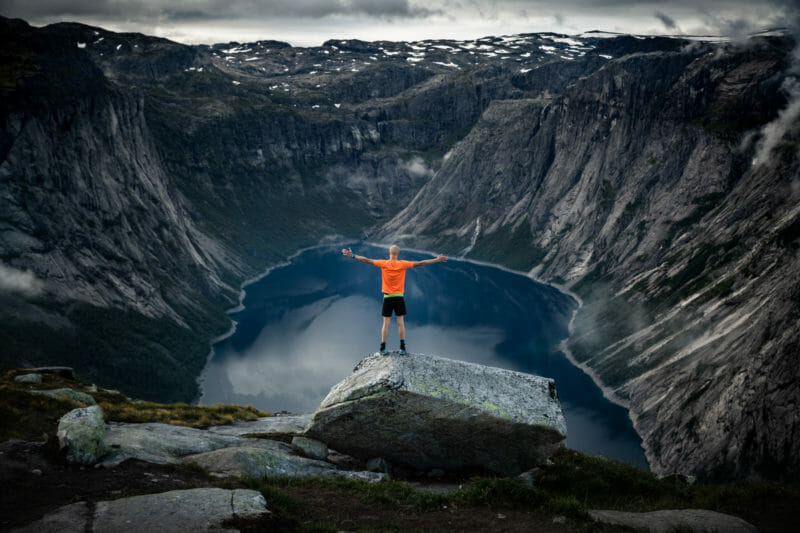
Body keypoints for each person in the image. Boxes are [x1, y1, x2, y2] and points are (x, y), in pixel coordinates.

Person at [342, 245, 447, 355]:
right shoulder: (403, 264)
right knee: (400, 323)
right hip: (399, 297)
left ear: (389, 253)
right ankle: (402, 348)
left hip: (387, 298)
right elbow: (421, 263)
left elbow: (366, 260)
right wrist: (437, 259)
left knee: (386, 324)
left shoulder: (383, 263)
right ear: (398, 254)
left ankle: (382, 348)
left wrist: (353, 255)